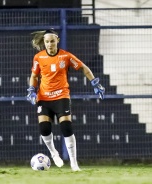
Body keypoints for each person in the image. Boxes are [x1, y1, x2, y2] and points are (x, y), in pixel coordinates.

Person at [26, 29, 105, 172]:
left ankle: (74, 164)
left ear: (57, 40)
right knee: (44, 129)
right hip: (43, 98)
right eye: (47, 42)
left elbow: (84, 68)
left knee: (66, 128)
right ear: (44, 42)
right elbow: (34, 76)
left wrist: (95, 83)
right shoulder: (38, 57)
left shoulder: (66, 56)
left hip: (61, 96)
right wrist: (32, 90)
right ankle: (53, 153)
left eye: (52, 41)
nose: (49, 44)